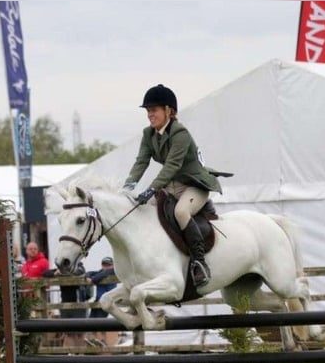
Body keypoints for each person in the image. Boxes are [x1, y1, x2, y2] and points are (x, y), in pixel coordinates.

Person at [122, 84, 224, 288]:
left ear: (169, 111)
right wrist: (127, 187)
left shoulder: (180, 133)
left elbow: (172, 165)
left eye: (154, 110)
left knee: (181, 212)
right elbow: (141, 161)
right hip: (172, 185)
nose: (150, 115)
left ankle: (199, 263)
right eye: (148, 111)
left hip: (194, 184)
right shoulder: (148, 134)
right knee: (144, 210)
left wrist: (151, 188)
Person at [42, 263, 89, 348]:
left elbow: (79, 272)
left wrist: (62, 272)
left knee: (80, 333)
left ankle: (81, 356)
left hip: (78, 304)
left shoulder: (79, 266)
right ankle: (70, 356)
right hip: (65, 304)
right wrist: (55, 273)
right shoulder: (62, 268)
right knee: (69, 333)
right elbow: (45, 273)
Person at [85, 256, 120, 347]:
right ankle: (94, 341)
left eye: (108, 265)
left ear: (112, 265)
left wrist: (92, 280)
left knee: (101, 322)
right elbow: (89, 273)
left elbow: (103, 274)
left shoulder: (113, 272)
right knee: (91, 321)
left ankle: (102, 341)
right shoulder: (100, 272)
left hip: (107, 300)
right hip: (98, 301)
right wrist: (88, 277)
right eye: (104, 265)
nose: (106, 267)